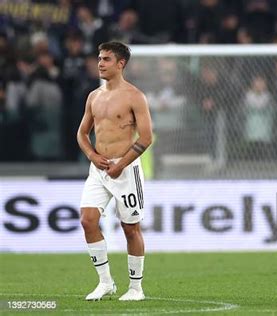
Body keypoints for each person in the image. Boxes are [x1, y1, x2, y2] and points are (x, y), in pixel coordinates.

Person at [77, 41, 153, 301]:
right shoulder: (94, 96)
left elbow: (146, 138)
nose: (100, 63)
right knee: (87, 220)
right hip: (98, 168)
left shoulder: (135, 96)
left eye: (106, 59)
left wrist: (120, 164)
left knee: (130, 228)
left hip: (126, 169)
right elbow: (82, 132)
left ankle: (135, 288)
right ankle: (105, 282)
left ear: (121, 64)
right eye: (99, 58)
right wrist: (92, 156)